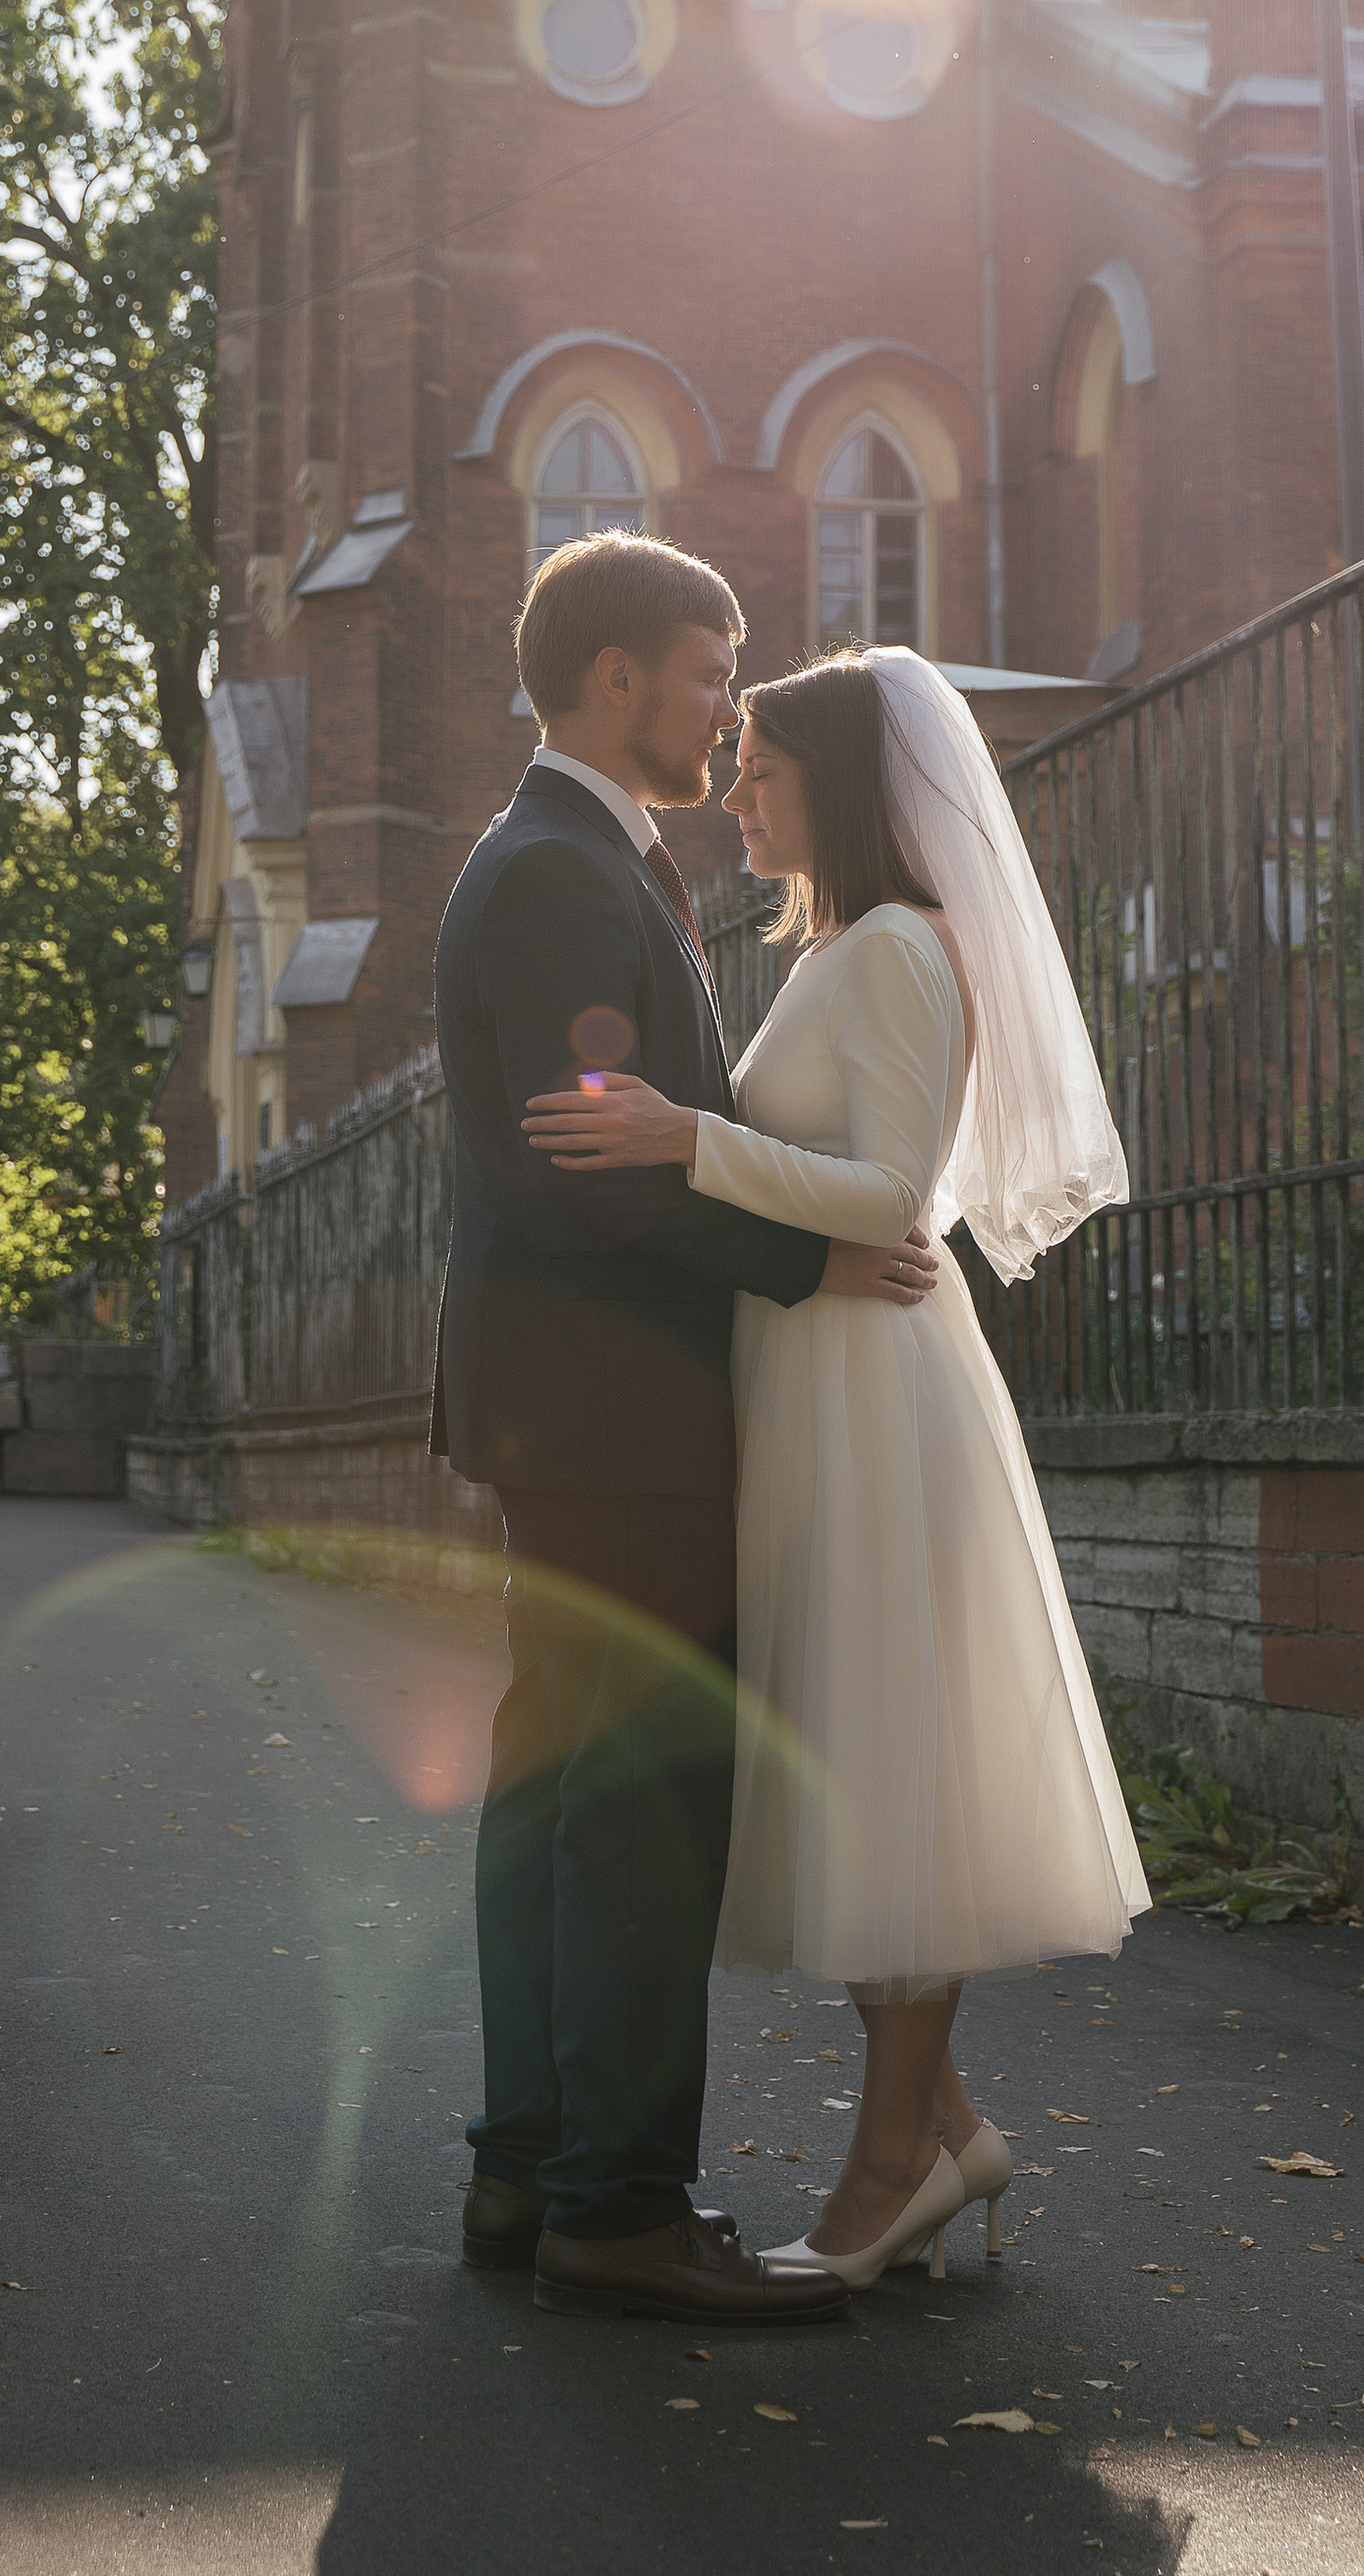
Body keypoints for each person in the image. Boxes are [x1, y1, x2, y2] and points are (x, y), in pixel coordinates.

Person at [523, 644, 1150, 2289]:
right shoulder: (836, 947)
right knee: (852, 1766)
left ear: (847, 787)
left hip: (875, 1393)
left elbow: (892, 1198)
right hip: (813, 1384)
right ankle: (946, 2132)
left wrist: (680, 1135)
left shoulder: (894, 949)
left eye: (769, 767)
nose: (739, 784)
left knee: (887, 1769)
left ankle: (891, 2172)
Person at [431, 534, 940, 2329]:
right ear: (616, 678)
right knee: (639, 1799)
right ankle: (619, 2208)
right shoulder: (567, 878)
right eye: (711, 669)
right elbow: (597, 1179)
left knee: (559, 1782)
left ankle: (531, 2169)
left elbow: (625, 1150)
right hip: (619, 1408)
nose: (730, 707)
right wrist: (813, 1255)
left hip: (576, 1405)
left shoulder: (567, 859)